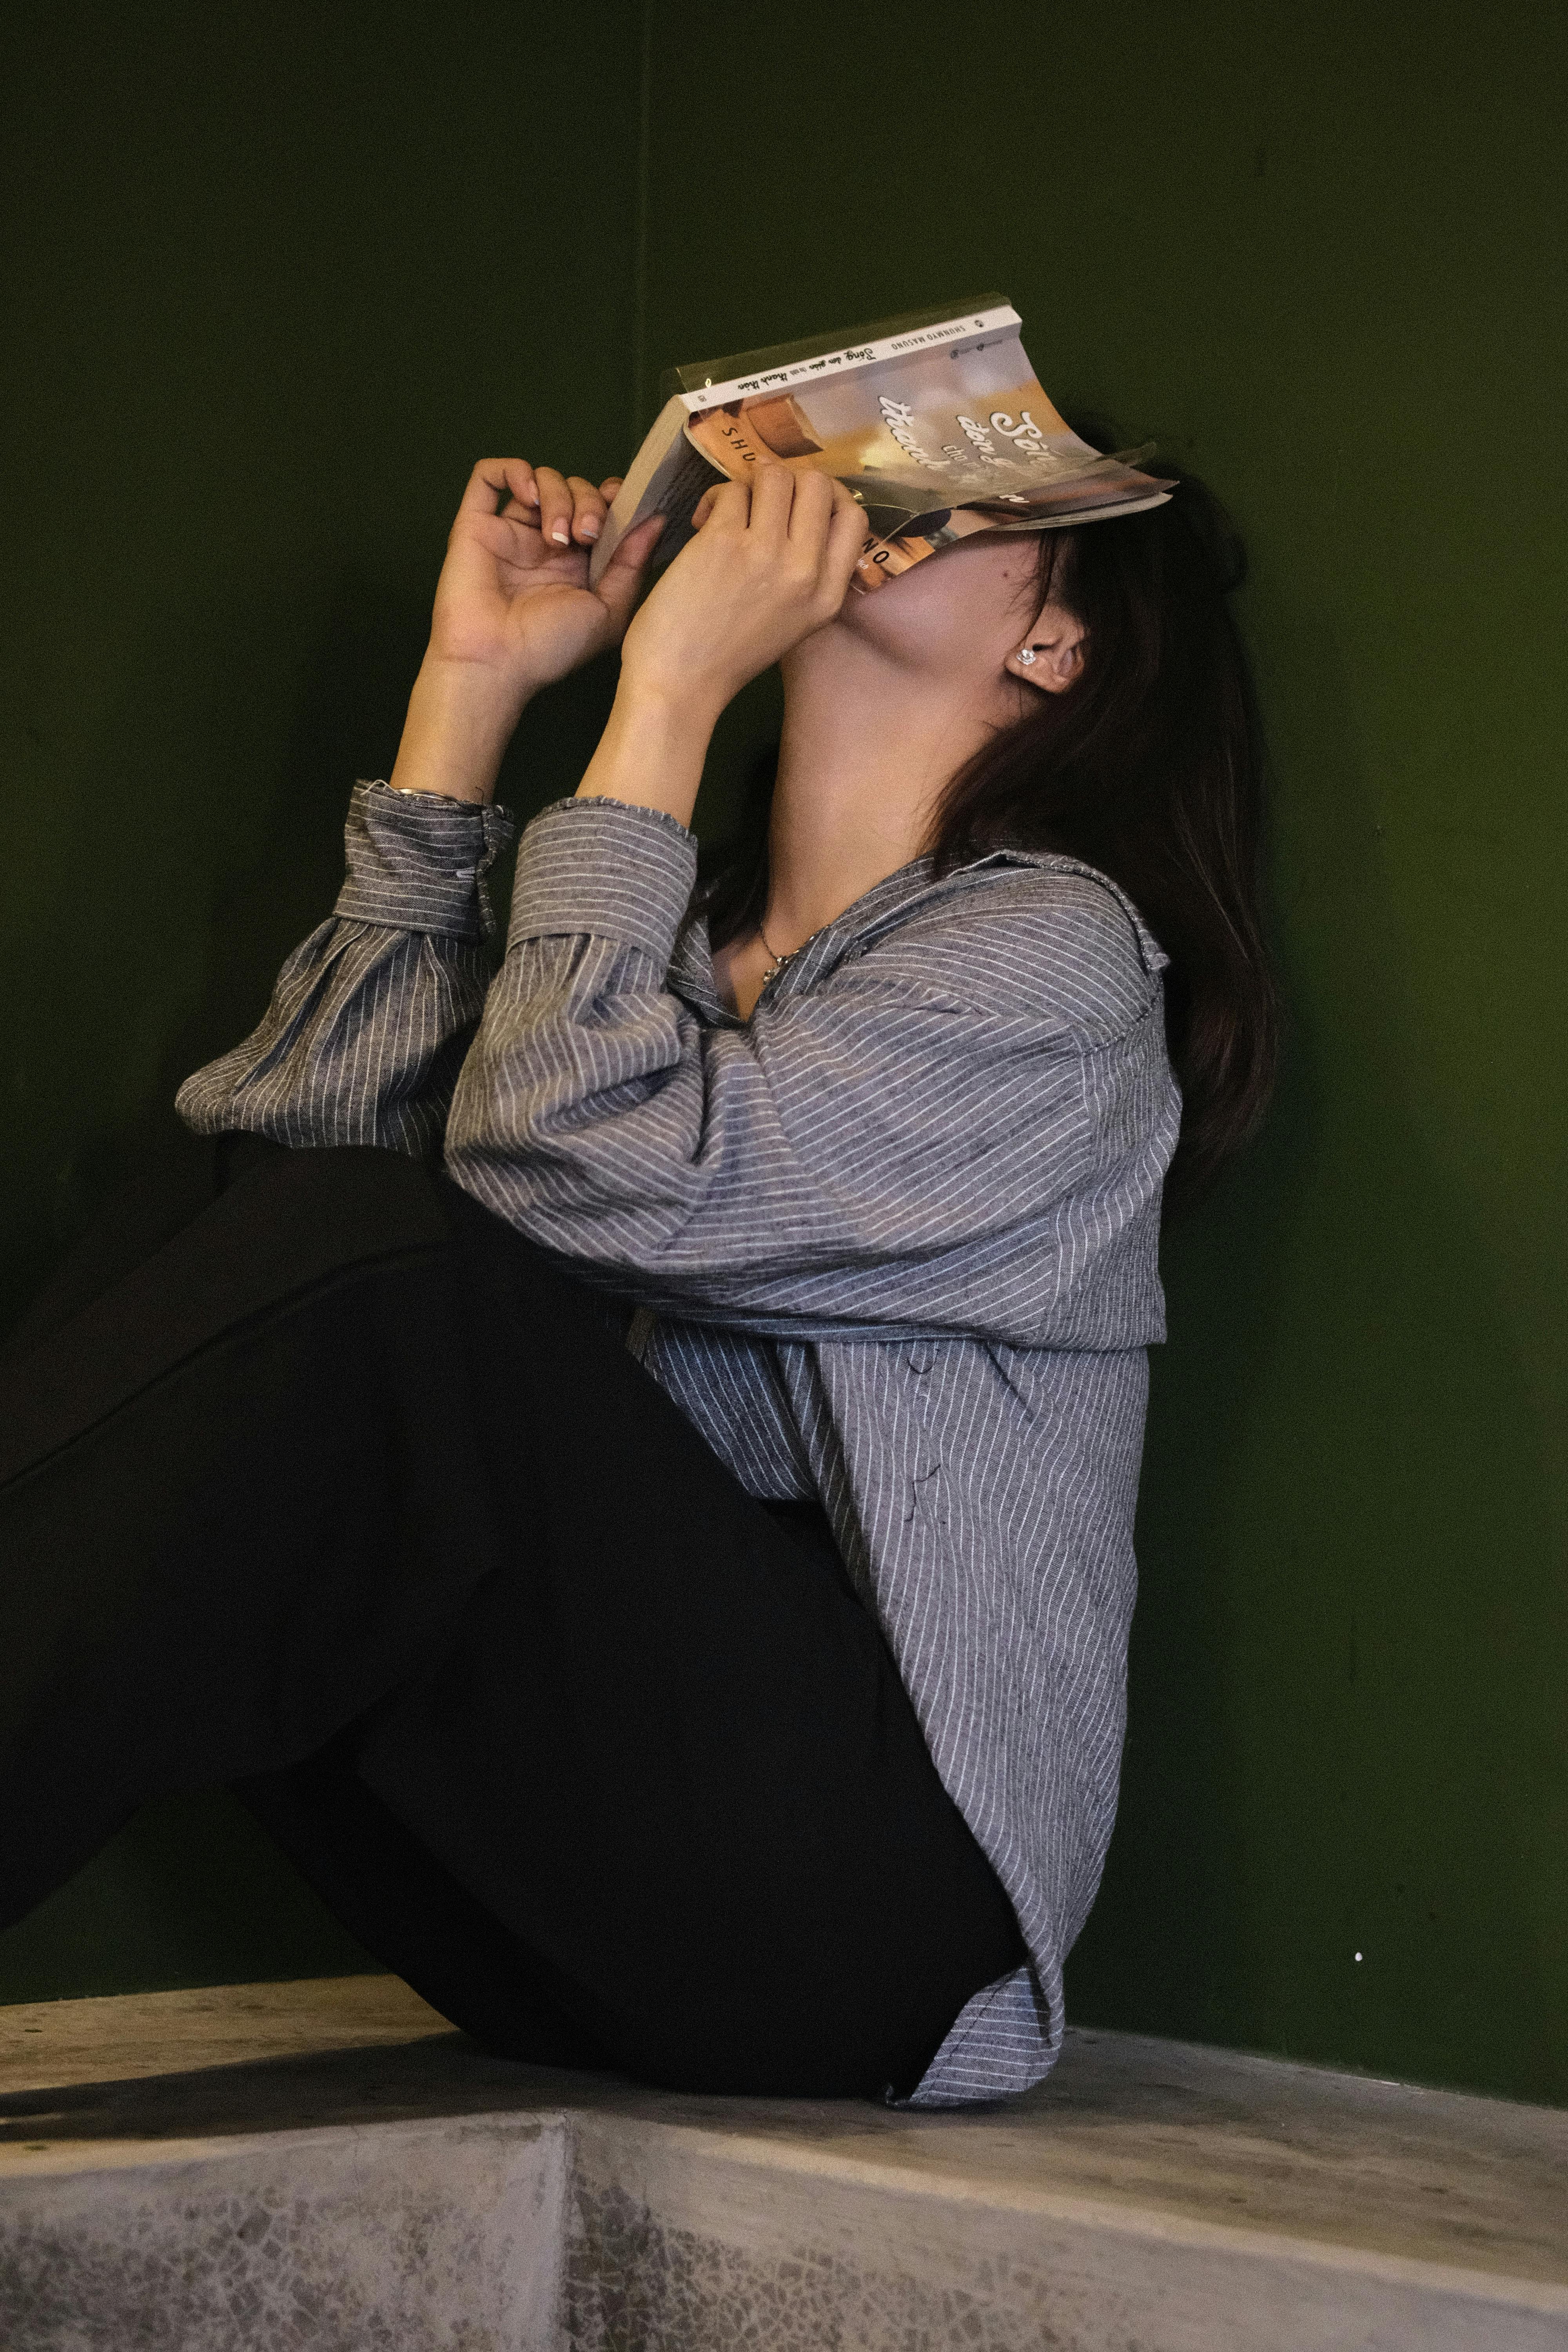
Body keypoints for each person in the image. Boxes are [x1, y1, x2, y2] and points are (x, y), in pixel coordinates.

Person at [0, 451, 1275, 2106]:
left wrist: (666, 689)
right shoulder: (662, 947)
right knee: (240, 1220)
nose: (874, 483)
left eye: (970, 493)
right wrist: (472, 693)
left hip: (875, 1933)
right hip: (562, 1898)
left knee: (377, 1273)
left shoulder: (1049, 962)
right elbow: (288, 1161)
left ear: (1055, 647)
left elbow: (553, 1166)